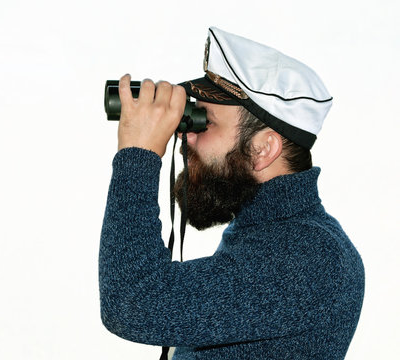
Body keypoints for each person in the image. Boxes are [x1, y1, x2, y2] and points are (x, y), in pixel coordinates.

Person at [99, 27, 364, 360]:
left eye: (204, 122)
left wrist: (139, 155)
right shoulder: (275, 234)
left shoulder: (309, 255)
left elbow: (132, 301)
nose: (186, 137)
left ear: (263, 148)